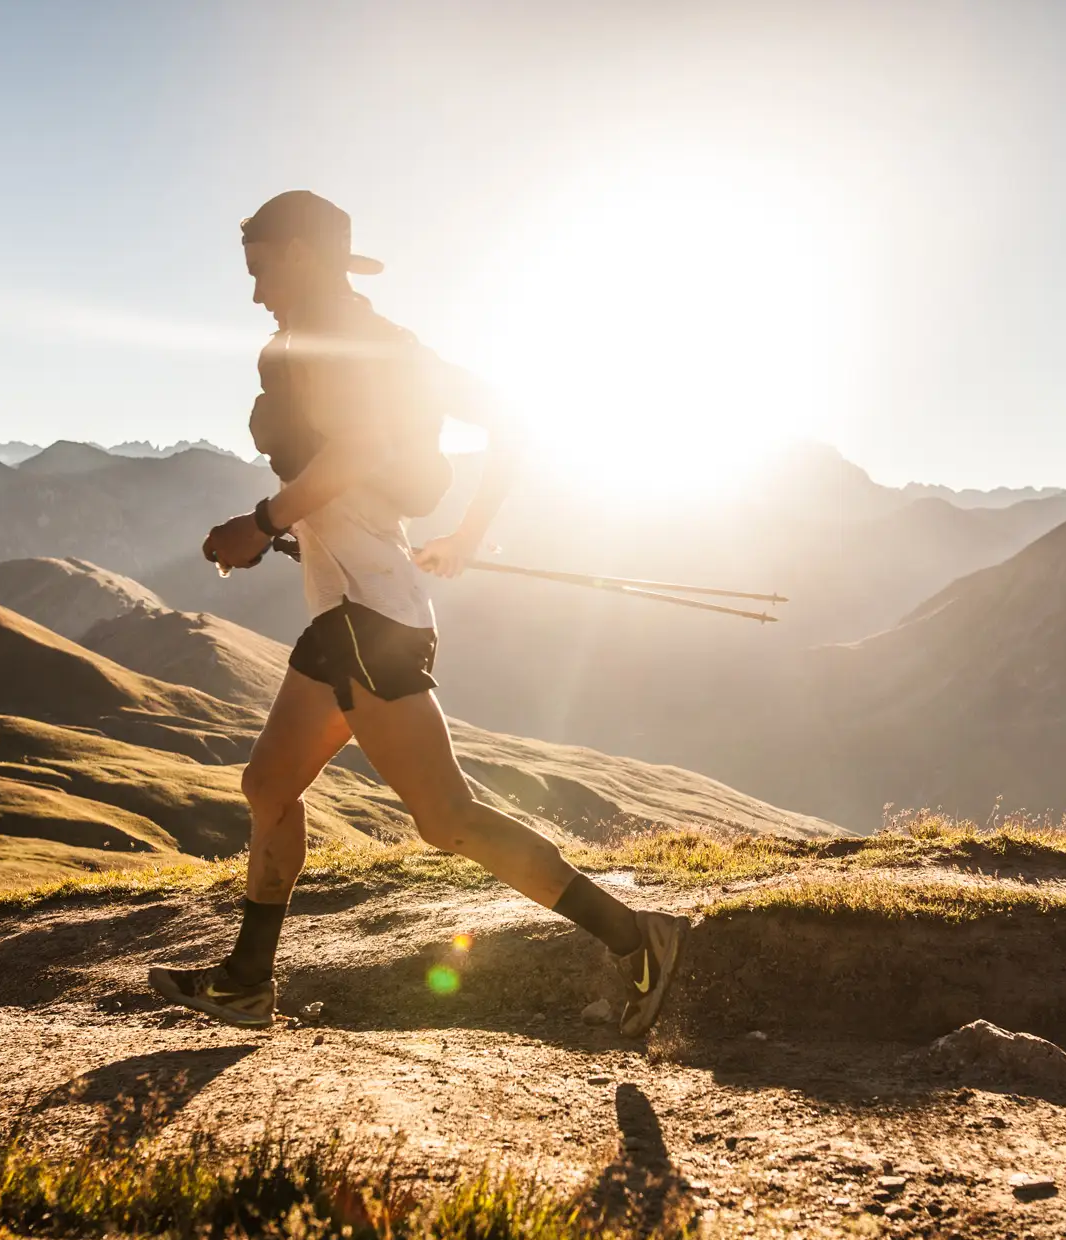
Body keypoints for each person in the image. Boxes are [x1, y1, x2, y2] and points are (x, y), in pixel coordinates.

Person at [147, 190, 687, 1037]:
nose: (254, 293)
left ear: (295, 253)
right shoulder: (370, 346)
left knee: (448, 818)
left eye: (259, 270)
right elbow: (496, 422)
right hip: (350, 614)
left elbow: (358, 450)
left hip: (372, 621)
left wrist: (262, 523)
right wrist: (464, 536)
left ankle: (637, 937)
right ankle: (248, 980)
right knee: (267, 786)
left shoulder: (351, 346)